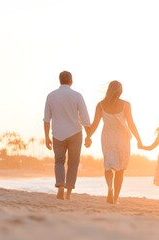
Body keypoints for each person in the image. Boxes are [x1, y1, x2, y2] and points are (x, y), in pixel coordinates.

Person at [85, 80, 143, 204]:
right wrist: (138, 139)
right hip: (122, 138)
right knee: (120, 169)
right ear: (120, 91)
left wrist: (88, 137)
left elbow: (95, 124)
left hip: (107, 137)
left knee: (108, 166)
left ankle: (110, 187)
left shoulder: (100, 105)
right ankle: (116, 198)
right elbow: (131, 124)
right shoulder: (126, 105)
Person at [43, 70, 92, 200]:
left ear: (60, 80)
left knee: (59, 161)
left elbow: (47, 119)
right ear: (71, 81)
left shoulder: (51, 96)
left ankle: (60, 186)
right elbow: (85, 118)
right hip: (75, 133)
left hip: (58, 134)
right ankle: (69, 192)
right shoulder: (77, 96)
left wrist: (47, 137)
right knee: (73, 163)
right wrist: (88, 136)